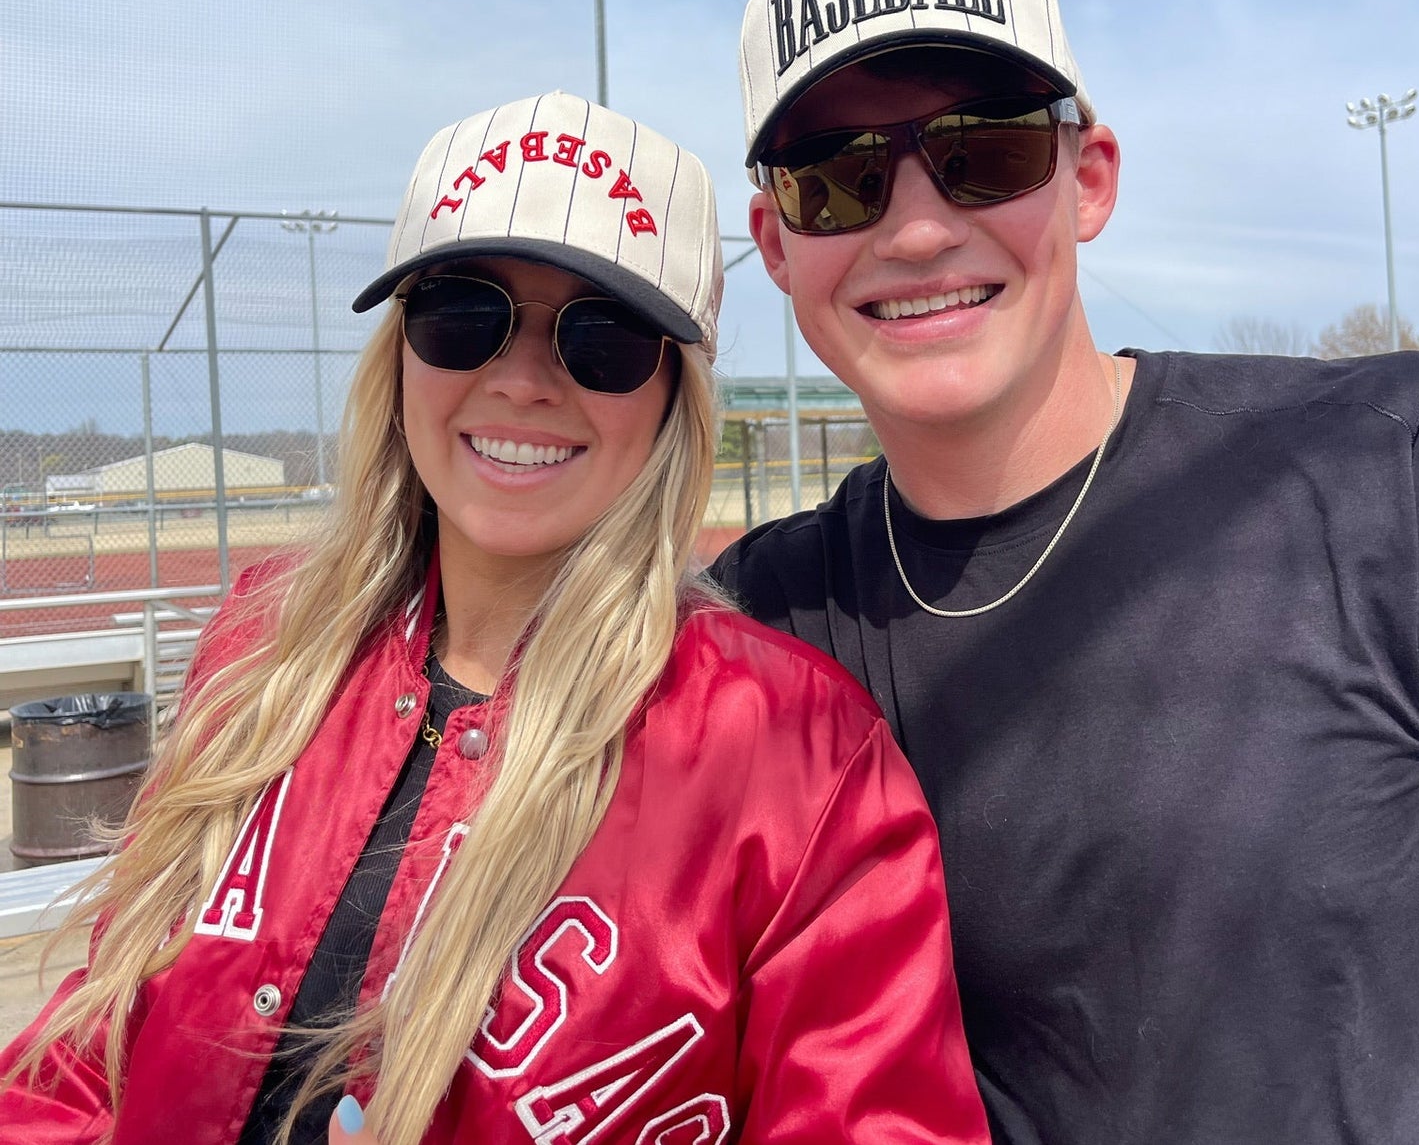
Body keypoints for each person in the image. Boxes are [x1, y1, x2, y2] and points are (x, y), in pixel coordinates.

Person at [0, 91, 992, 1145]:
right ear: (400, 355)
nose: (520, 380)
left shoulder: (798, 760)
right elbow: (84, 1057)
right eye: (461, 311)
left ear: (669, 400)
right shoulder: (262, 645)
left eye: (599, 336)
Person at [712, 0, 1419, 1145]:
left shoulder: (1387, 463)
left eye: (983, 152)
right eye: (835, 177)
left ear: (1087, 179)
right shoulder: (752, 628)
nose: (916, 226)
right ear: (777, 247)